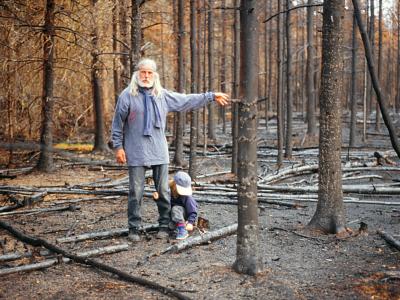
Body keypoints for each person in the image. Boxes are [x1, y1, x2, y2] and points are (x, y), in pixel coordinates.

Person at [111, 58, 229, 242]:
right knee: (136, 192)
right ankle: (134, 228)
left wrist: (210, 96)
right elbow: (117, 124)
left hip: (159, 150)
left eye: (150, 72)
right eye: (143, 72)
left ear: (155, 75)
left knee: (164, 190)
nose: (146, 76)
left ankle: (164, 225)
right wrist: (118, 147)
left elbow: (186, 100)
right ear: (137, 74)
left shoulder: (162, 95)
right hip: (136, 150)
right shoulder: (127, 96)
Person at [169, 171, 197, 240]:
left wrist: (190, 222)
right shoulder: (169, 191)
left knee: (176, 209)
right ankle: (177, 225)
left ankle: (182, 230)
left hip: (188, 215)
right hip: (175, 216)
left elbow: (193, 211)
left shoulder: (187, 197)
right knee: (170, 226)